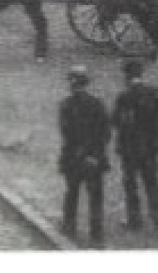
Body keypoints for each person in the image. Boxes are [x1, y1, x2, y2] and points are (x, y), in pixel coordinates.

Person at [112, 57, 158, 232]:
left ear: (127, 76)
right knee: (152, 183)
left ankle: (134, 220)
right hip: (150, 147)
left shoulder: (124, 96)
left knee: (131, 185)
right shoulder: (154, 93)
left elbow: (116, 121)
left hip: (130, 148)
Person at [59, 66, 110, 246]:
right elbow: (105, 133)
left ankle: (69, 225)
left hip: (74, 158)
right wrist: (94, 154)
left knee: (72, 193)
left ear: (72, 84)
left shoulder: (66, 105)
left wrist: (80, 153)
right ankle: (96, 232)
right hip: (94, 159)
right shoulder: (98, 104)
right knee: (95, 196)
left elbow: (66, 133)